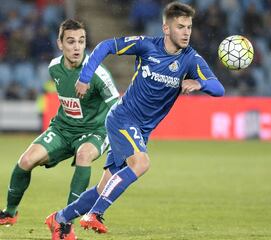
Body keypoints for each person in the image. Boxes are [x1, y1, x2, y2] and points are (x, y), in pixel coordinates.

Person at [45, 2, 225, 239]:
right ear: (166, 28)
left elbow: (219, 88)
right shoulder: (147, 46)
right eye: (180, 27)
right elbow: (106, 46)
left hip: (141, 129)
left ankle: (59, 218)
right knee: (141, 163)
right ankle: (95, 214)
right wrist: (86, 76)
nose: (186, 32)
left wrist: (199, 83)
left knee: (104, 186)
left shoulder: (191, 59)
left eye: (189, 27)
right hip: (123, 117)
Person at [0, 19, 119, 230]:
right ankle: (9, 213)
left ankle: (65, 222)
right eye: (71, 41)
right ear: (60, 44)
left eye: (81, 41)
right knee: (26, 160)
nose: (77, 47)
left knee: (83, 155)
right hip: (62, 128)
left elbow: (118, 107)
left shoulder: (98, 74)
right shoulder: (54, 67)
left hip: (95, 131)